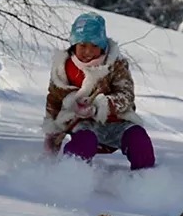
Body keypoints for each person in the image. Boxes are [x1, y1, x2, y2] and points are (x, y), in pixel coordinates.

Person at [42, 12, 156, 170]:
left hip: (117, 122)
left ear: (102, 46)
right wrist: (52, 131)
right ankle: (68, 175)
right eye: (83, 45)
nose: (88, 52)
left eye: (94, 46)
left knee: (139, 141)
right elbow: (54, 99)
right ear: (74, 44)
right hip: (83, 124)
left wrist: (100, 106)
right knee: (83, 144)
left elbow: (126, 95)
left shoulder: (115, 64)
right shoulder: (63, 68)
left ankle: (145, 180)